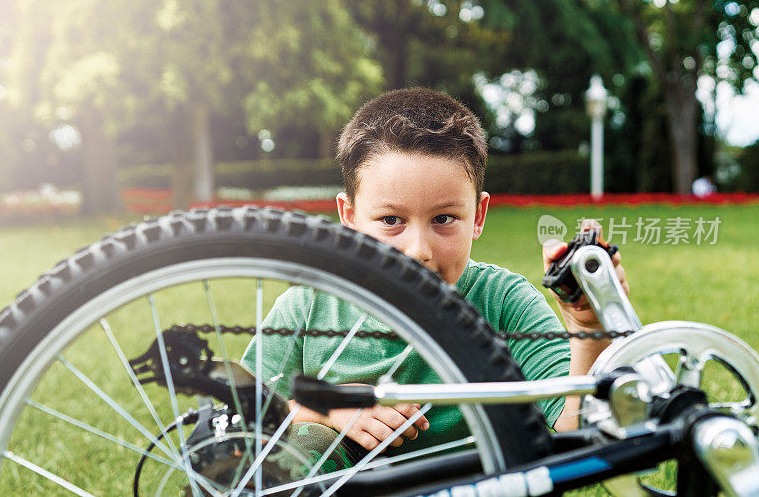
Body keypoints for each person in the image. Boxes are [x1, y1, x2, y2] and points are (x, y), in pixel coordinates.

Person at [241, 87, 628, 469]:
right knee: (304, 442)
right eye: (391, 221)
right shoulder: (308, 305)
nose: (418, 250)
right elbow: (238, 421)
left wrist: (587, 328)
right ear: (350, 218)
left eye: (443, 219)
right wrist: (326, 411)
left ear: (478, 216)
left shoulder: (505, 302)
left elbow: (571, 428)